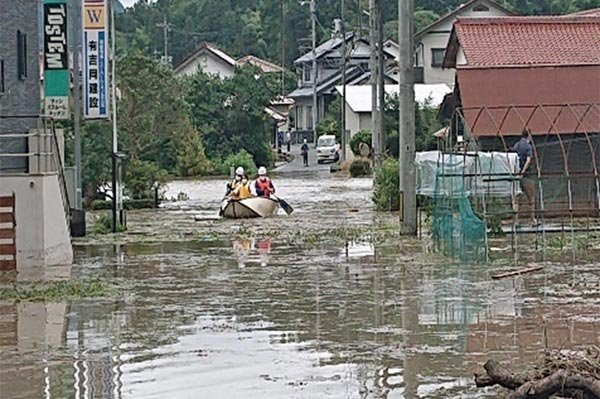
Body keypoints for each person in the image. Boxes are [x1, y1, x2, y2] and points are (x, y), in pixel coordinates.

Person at [511, 128, 537, 225]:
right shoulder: (528, 147)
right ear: (529, 135)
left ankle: (516, 221)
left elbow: (511, 157)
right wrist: (523, 172)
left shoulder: (516, 145)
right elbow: (528, 160)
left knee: (517, 199)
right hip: (526, 176)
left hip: (516, 176)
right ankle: (533, 220)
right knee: (531, 198)